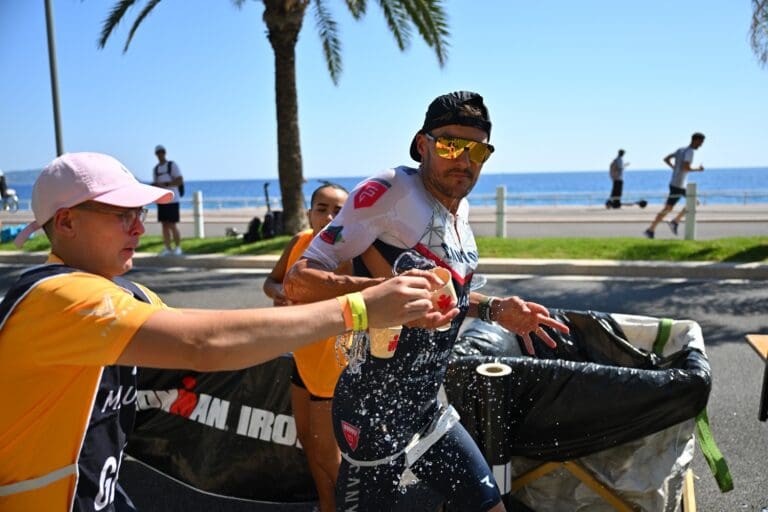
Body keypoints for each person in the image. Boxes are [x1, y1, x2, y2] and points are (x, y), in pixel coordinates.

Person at [0, 152, 455, 512]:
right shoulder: (60, 298)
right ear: (65, 222)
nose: (141, 227)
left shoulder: (119, 293)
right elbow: (206, 344)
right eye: (122, 214)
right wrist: (362, 308)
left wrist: (394, 303)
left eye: (140, 212)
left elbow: (218, 331)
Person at [283, 91, 569, 511]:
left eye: (478, 151)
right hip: (372, 413)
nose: (464, 160)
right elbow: (297, 281)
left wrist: (494, 309)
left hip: (430, 409)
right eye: (452, 145)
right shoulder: (390, 190)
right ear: (423, 145)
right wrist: (379, 297)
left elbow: (441, 297)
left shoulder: (460, 211)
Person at [263, 182, 350, 511]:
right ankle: (327, 506)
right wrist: (281, 293)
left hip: (331, 364)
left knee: (328, 453)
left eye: (339, 210)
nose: (329, 216)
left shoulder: (349, 252)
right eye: (322, 208)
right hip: (301, 355)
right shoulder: (299, 242)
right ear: (309, 212)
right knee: (308, 443)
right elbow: (270, 282)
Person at [644, 132, 705, 239]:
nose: (701, 145)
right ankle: (672, 223)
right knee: (690, 203)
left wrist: (673, 167)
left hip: (675, 182)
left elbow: (666, 159)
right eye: (701, 142)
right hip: (679, 184)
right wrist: (698, 169)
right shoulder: (690, 152)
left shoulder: (680, 150)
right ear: (695, 140)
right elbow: (685, 168)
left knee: (670, 208)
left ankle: (653, 229)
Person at [151, 144, 184, 255]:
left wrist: (166, 184)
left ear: (165, 152)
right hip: (162, 200)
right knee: (164, 225)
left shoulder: (172, 165)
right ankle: (167, 248)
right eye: (158, 152)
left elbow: (179, 180)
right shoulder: (155, 169)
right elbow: (156, 184)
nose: (160, 154)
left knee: (172, 224)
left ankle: (178, 247)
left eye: (162, 152)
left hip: (173, 200)